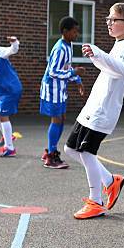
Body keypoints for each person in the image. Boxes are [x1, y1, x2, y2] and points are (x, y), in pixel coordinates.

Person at [63, 3, 124, 219]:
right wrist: (96, 56)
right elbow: (109, 67)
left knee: (86, 152)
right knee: (70, 149)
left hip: (103, 112)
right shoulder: (119, 45)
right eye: (109, 19)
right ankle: (110, 181)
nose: (109, 23)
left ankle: (95, 201)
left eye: (114, 20)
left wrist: (98, 52)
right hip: (93, 108)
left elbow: (121, 70)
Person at [40, 16, 85, 169]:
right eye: (74, 31)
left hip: (60, 90)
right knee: (57, 119)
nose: (76, 35)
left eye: (77, 32)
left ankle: (50, 151)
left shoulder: (68, 46)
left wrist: (77, 79)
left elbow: (66, 67)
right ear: (65, 31)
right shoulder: (60, 48)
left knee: (62, 118)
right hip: (52, 90)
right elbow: (52, 72)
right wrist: (74, 71)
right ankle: (51, 156)